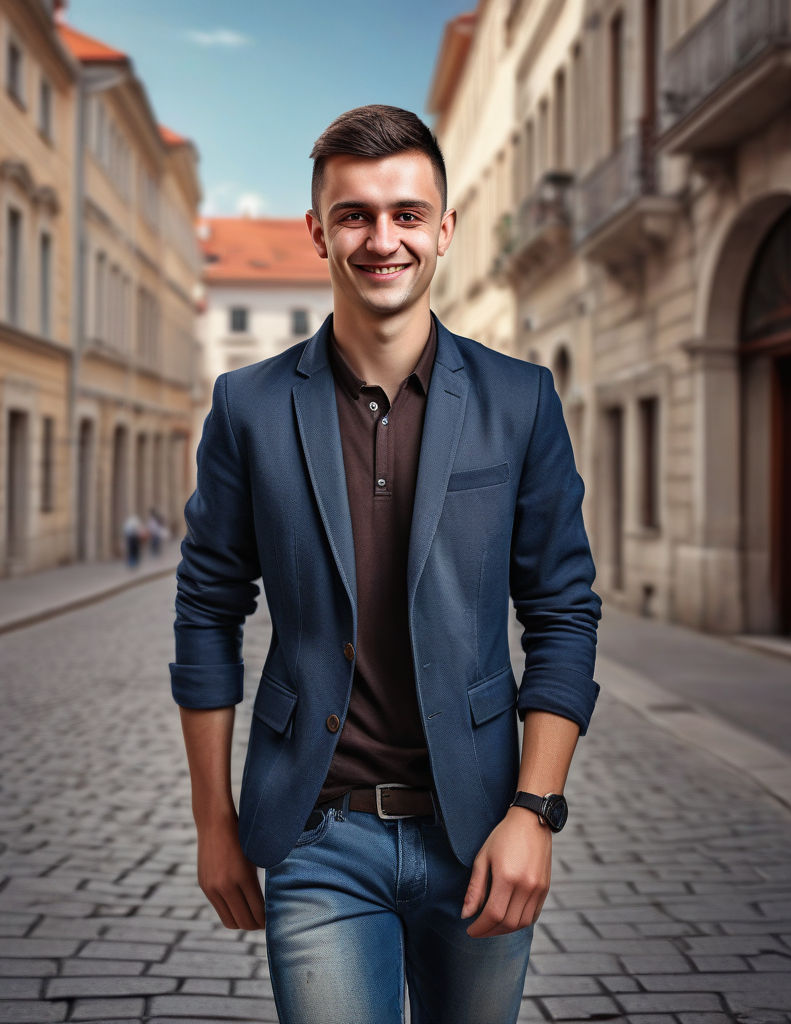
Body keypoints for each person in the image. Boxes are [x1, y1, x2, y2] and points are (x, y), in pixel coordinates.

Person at [171, 105, 600, 1024]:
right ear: (318, 230)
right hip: (317, 833)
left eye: (407, 213)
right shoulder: (247, 406)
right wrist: (215, 823)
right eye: (356, 214)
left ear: (444, 230)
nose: (382, 239)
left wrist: (536, 812)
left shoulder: (520, 401)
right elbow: (207, 610)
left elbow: (563, 612)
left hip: (482, 825)